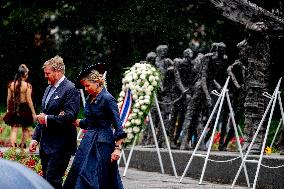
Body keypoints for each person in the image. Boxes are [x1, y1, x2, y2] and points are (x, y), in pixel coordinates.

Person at [63, 65, 126, 189]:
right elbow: (89, 122)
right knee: (79, 173)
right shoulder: (90, 98)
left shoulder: (108, 99)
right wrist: (72, 120)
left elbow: (118, 126)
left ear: (97, 82)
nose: (85, 89)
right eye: (84, 86)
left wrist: (117, 149)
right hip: (88, 142)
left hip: (103, 144)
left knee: (95, 175)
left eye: (88, 85)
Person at [29, 55, 80, 189]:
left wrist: (47, 119)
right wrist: (35, 138)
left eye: (47, 73)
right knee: (46, 180)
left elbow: (70, 116)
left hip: (61, 144)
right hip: (46, 144)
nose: (45, 76)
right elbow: (43, 113)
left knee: (53, 180)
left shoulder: (70, 89)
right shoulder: (48, 88)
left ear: (57, 72)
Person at [4, 64, 36, 148]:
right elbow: (29, 100)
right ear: (25, 74)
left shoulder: (11, 84)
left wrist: (8, 108)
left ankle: (13, 148)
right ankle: (22, 146)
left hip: (14, 108)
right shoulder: (27, 85)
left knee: (14, 129)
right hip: (25, 109)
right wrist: (33, 112)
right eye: (27, 73)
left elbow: (9, 98)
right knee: (25, 128)